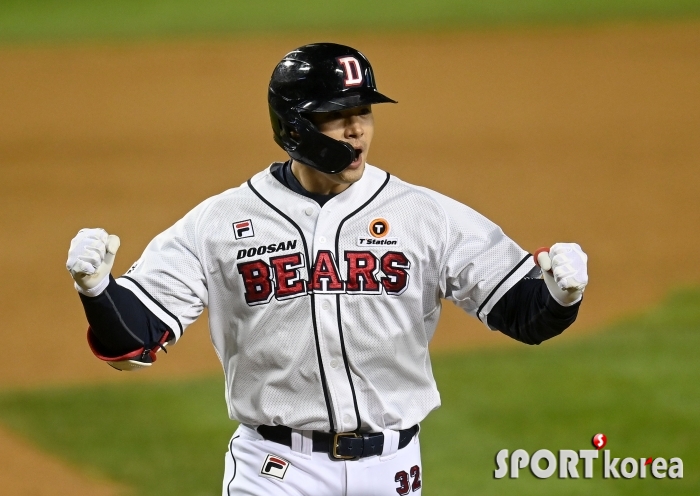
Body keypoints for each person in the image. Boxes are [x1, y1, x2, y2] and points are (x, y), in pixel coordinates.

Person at [66, 43, 588, 495]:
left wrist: (561, 298)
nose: (357, 128)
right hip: (275, 471)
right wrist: (97, 292)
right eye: (336, 114)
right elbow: (132, 347)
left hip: (394, 471)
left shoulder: (424, 214)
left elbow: (524, 316)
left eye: (363, 110)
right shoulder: (219, 222)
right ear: (294, 126)